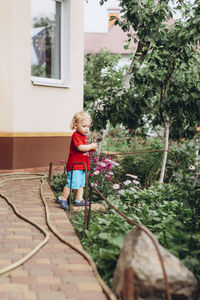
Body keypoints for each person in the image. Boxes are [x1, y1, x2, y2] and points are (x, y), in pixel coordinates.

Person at [56, 111, 98, 210]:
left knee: (81, 183)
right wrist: (90, 146)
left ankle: (79, 200)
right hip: (75, 165)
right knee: (72, 183)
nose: (86, 128)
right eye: (84, 126)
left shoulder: (84, 137)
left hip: (82, 165)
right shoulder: (76, 135)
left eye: (88, 126)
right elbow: (80, 148)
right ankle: (62, 198)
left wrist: (91, 148)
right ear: (76, 125)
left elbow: (84, 148)